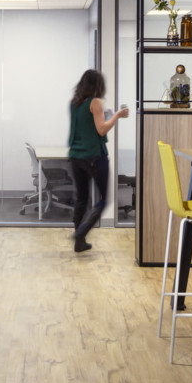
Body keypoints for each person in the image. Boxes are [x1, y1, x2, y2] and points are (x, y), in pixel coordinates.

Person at [67, 69, 129, 252]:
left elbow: (89, 126)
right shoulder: (95, 102)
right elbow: (101, 130)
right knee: (103, 199)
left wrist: (105, 115)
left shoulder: (75, 103)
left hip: (76, 156)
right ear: (97, 85)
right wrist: (116, 116)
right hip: (94, 157)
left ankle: (80, 242)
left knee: (81, 199)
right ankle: (81, 232)